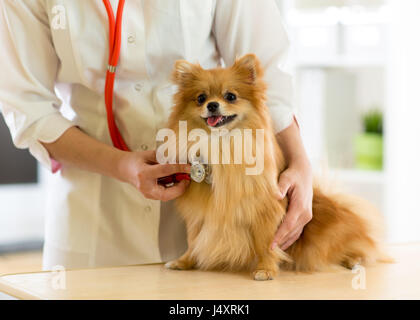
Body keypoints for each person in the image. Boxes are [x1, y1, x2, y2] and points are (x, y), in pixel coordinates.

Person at [0, 0, 313, 269]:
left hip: (215, 216)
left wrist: (299, 162)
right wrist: (121, 166)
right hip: (93, 219)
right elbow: (29, 108)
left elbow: (263, 77)